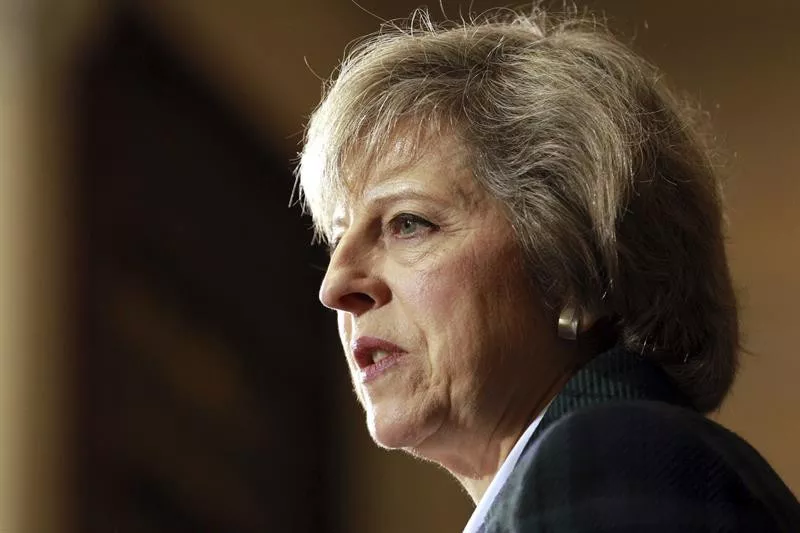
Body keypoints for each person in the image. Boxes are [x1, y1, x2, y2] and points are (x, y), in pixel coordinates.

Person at [295, 7, 800, 532]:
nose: (335, 286)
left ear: (574, 270)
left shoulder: (610, 458)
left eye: (408, 223)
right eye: (337, 237)